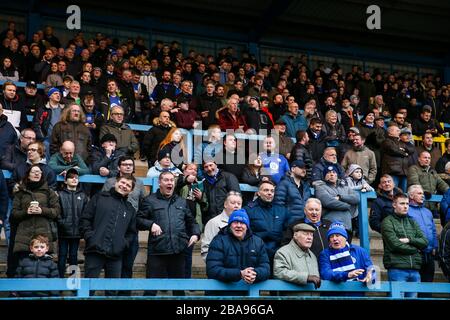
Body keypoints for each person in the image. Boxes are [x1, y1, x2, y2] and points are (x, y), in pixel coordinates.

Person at [137, 171, 200, 296]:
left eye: (172, 180)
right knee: (150, 289)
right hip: (157, 251)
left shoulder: (181, 202)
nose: (169, 182)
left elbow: (192, 222)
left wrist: (195, 234)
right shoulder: (150, 200)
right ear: (160, 183)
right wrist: (151, 225)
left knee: (179, 290)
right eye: (166, 180)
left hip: (178, 251)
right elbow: (138, 220)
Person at [79, 175, 137, 295]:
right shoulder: (99, 197)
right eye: (123, 182)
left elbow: (131, 232)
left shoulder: (130, 209)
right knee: (88, 289)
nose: (124, 186)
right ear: (116, 182)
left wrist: (123, 244)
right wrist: (90, 237)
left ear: (131, 191)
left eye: (128, 185)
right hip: (95, 251)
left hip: (116, 255)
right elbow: (85, 219)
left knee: (112, 291)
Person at [101, 156, 148, 286]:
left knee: (128, 264)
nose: (128, 166)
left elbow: (145, 203)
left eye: (130, 165)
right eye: (125, 164)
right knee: (110, 265)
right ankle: (110, 291)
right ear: (118, 167)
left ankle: (124, 292)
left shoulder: (139, 183)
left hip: (131, 228)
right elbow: (102, 201)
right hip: (112, 227)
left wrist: (139, 218)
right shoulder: (110, 182)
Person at [8, 165, 60, 278]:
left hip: (43, 235)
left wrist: (42, 210)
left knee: (43, 270)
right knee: (24, 269)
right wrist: (26, 212)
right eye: (34, 172)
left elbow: (56, 212)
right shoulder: (20, 193)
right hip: (24, 236)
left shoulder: (49, 192)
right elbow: (13, 215)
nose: (37, 174)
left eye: (39, 172)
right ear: (28, 174)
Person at [381, 193, 428, 298]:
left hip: (415, 269)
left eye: (407, 203)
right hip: (397, 269)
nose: (406, 206)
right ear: (394, 205)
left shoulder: (412, 222)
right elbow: (395, 245)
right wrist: (416, 249)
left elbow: (424, 241)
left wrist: (409, 240)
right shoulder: (387, 222)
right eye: (402, 203)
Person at [206, 209, 270, 285]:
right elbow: (212, 270)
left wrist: (255, 274)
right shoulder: (218, 241)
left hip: (249, 292)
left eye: (242, 223)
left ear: (247, 226)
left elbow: (265, 268)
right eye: (235, 222)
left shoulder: (258, 242)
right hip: (222, 293)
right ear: (230, 225)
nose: (239, 226)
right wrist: (239, 274)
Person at [245, 180, 287, 269]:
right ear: (258, 193)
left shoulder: (281, 210)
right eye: (266, 190)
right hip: (256, 254)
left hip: (277, 254)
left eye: (272, 191)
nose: (269, 193)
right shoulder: (248, 210)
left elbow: (286, 232)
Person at [56, 168, 88, 278]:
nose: (74, 179)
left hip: (77, 232)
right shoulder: (60, 195)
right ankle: (59, 280)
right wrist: (62, 223)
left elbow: (86, 214)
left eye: (76, 177)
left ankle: (73, 281)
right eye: (71, 177)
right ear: (65, 181)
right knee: (62, 256)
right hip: (63, 231)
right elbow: (57, 212)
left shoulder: (83, 196)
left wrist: (82, 227)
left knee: (74, 256)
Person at [315, 166, 359, 241]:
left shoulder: (345, 187)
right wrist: (348, 206)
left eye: (334, 172)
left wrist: (341, 197)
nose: (332, 174)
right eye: (328, 173)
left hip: (347, 226)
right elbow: (328, 202)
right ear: (324, 176)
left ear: (337, 175)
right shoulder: (320, 188)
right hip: (330, 225)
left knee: (346, 251)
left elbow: (356, 198)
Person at [273, 223, 321, 288]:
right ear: (295, 236)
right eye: (305, 234)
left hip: (315, 297)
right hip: (292, 297)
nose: (310, 237)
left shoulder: (312, 256)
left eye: (311, 235)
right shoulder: (283, 252)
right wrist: (306, 277)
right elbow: (279, 272)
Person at [407, 185, 438, 284]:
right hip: (415, 253)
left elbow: (433, 230)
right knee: (415, 285)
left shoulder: (428, 211)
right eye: (419, 193)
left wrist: (435, 246)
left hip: (429, 254)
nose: (423, 196)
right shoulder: (407, 210)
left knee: (428, 283)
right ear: (411, 196)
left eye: (423, 194)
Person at [201, 192, 242, 261]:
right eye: (233, 203)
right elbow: (206, 249)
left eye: (239, 204)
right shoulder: (213, 223)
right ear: (225, 204)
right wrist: (215, 265)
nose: (236, 206)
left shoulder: (244, 224)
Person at [202, 160, 240, 224]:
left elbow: (236, 197)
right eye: (206, 167)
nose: (209, 168)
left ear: (216, 165)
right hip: (211, 219)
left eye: (211, 165)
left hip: (227, 217)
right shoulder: (205, 182)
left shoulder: (228, 177)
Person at [274, 160, 311, 225]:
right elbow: (278, 205)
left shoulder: (306, 186)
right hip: (289, 224)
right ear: (293, 169)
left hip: (305, 223)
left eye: (305, 168)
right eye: (301, 167)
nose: (304, 170)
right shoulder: (284, 183)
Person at [381, 125, 409, 192]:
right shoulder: (386, 141)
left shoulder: (401, 142)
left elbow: (409, 150)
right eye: (396, 130)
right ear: (390, 133)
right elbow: (393, 150)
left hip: (403, 172)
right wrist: (404, 153)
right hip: (393, 172)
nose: (399, 131)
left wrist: (402, 151)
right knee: (393, 192)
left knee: (403, 194)